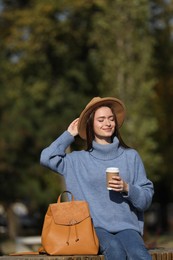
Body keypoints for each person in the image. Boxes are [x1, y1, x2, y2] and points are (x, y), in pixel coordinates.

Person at [40, 96, 154, 260]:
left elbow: (145, 200)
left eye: (110, 119)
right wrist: (69, 134)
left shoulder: (131, 157)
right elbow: (46, 158)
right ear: (91, 125)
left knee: (140, 255)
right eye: (101, 119)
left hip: (127, 227)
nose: (107, 123)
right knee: (115, 251)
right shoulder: (76, 160)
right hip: (91, 227)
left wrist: (127, 188)